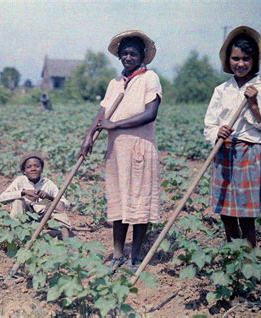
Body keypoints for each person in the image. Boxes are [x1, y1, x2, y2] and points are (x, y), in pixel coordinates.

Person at [79, 30, 162, 272]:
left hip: (139, 149)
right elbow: (102, 113)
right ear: (119, 56)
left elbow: (150, 113)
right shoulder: (115, 83)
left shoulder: (150, 79)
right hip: (116, 151)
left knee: (139, 203)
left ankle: (134, 257)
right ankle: (117, 254)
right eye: (124, 53)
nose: (128, 57)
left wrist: (115, 125)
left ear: (142, 56)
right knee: (118, 202)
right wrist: (89, 136)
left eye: (133, 53)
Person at [204, 26, 261, 248]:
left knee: (246, 213)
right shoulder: (222, 90)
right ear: (228, 60)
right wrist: (217, 132)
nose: (240, 64)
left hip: (250, 152)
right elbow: (209, 124)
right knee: (226, 211)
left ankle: (249, 258)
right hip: (224, 150)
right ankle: (233, 253)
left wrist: (254, 105)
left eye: (246, 59)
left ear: (254, 60)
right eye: (235, 58)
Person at [0, 153, 72, 239]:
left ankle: (67, 243)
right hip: (24, 218)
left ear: (41, 169)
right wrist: (23, 192)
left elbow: (64, 205)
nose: (33, 169)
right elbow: (2, 198)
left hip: (43, 219)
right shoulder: (20, 181)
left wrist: (49, 197)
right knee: (18, 202)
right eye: (29, 167)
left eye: (37, 166)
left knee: (56, 206)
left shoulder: (47, 183)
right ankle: (15, 238)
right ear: (24, 171)